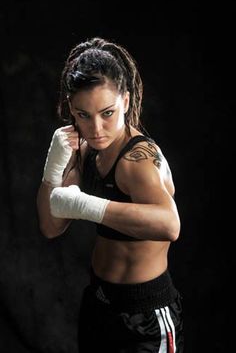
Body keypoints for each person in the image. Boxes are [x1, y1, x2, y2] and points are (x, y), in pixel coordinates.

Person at [37, 36, 184, 352]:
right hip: (99, 302)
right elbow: (51, 226)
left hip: (144, 314)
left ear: (126, 102)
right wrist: (52, 172)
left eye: (107, 113)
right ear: (72, 111)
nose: (96, 129)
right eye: (83, 115)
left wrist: (85, 204)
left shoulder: (140, 160)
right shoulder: (86, 151)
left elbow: (170, 225)